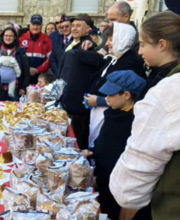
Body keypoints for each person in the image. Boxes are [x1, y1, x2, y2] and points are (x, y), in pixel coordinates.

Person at [109, 11, 180, 220]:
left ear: (162, 44)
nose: (139, 52)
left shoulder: (168, 91)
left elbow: (128, 191)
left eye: (142, 44)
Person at [82, 70, 146, 220]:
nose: (107, 98)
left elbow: (116, 156)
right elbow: (103, 143)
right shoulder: (112, 113)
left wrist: (101, 180)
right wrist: (91, 151)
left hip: (113, 183)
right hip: (100, 175)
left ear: (126, 95)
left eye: (111, 94)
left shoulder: (133, 122)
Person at [85, 22, 145, 148]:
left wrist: (100, 100)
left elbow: (130, 96)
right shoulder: (114, 58)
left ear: (122, 39)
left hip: (113, 116)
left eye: (111, 39)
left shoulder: (131, 63)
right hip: (100, 112)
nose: (107, 43)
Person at [56, 14, 102, 150]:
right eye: (73, 25)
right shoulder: (71, 43)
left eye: (79, 26)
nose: (74, 28)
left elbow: (98, 59)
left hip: (77, 103)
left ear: (88, 29)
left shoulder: (88, 45)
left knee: (77, 140)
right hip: (64, 98)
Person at [19, 14, 52, 84]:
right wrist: (26, 69)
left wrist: (38, 70)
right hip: (23, 76)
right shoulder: (21, 38)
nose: (35, 27)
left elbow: (49, 59)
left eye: (38, 25)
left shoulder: (47, 40)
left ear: (41, 26)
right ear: (30, 25)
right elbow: (17, 57)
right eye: (33, 24)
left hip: (40, 77)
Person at [0, 27, 30, 100]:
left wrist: (23, 87)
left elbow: (26, 71)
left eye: (11, 36)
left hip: (15, 89)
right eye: (6, 35)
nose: (8, 38)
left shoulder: (20, 52)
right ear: (2, 37)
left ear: (15, 37)